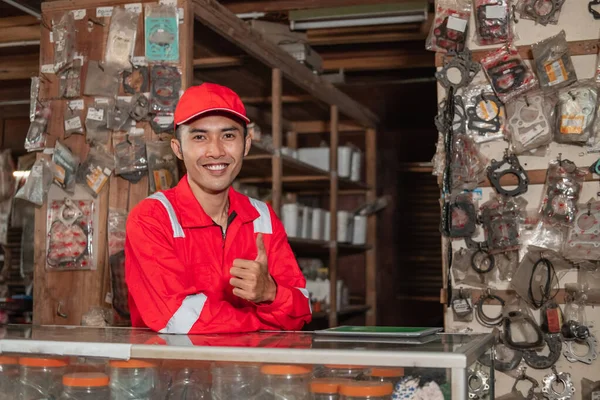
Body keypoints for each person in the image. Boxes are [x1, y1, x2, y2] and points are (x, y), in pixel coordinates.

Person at [125, 83, 312, 334]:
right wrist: (262, 320)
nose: (215, 151)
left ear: (246, 145)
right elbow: (180, 319)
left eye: (228, 135)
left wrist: (269, 292)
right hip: (172, 372)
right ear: (178, 149)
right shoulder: (152, 218)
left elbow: (302, 309)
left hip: (247, 371)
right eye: (200, 137)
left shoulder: (262, 217)